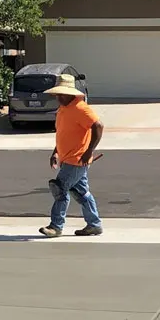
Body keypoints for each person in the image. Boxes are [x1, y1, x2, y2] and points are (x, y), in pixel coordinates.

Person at [39, 74, 104, 238]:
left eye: (62, 94)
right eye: (57, 94)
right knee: (82, 193)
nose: (58, 97)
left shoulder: (81, 108)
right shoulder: (63, 109)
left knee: (60, 189)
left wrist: (89, 151)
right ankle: (94, 224)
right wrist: (55, 152)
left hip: (77, 159)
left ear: (71, 93)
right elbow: (64, 134)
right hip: (67, 158)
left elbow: (98, 126)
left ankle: (56, 226)